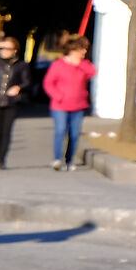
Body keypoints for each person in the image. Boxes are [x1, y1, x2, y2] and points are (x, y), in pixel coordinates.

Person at [42, 33, 95, 170]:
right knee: (60, 130)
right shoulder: (58, 65)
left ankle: (69, 159)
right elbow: (49, 83)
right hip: (60, 105)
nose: (84, 52)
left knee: (74, 133)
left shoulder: (84, 64)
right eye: (81, 49)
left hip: (78, 105)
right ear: (73, 50)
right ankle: (57, 159)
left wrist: (79, 65)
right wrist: (57, 95)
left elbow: (92, 72)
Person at [0, 33, 28, 168]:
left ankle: (2, 158)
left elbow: (28, 81)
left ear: (14, 51)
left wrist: (18, 87)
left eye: (7, 49)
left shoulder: (21, 65)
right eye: (2, 49)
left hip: (11, 102)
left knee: (7, 130)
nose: (4, 51)